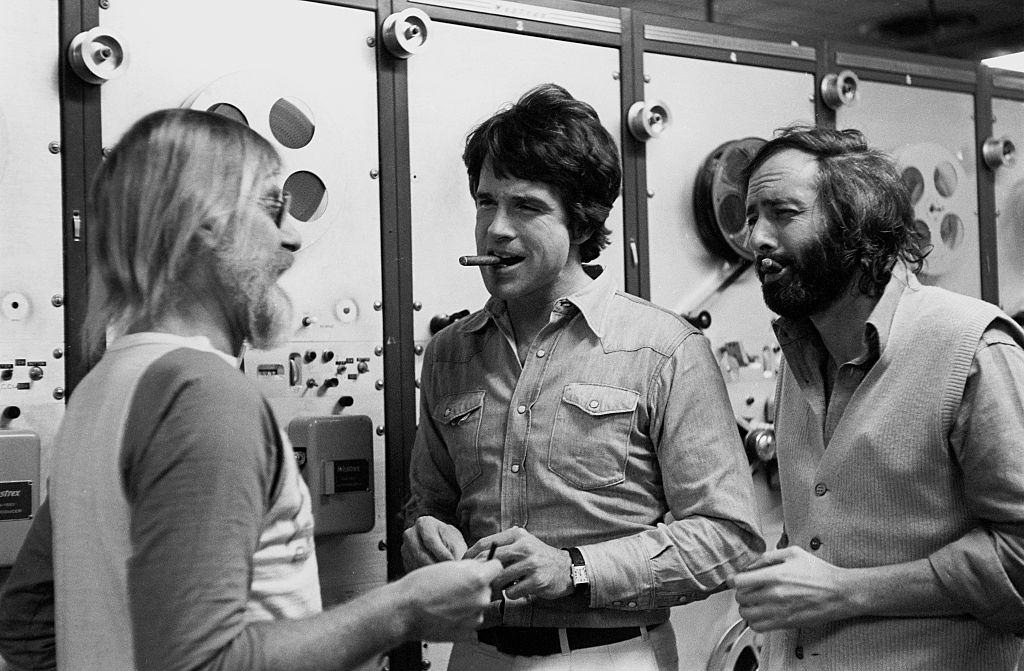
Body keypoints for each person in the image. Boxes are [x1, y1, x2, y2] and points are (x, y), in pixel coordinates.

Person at [0, 108, 501, 671]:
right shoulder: (204, 396)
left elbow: (28, 624)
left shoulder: (102, 389)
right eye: (271, 206)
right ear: (205, 222)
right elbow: (200, 663)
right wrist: (402, 610)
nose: (292, 236)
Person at [402, 83, 764, 670]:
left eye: (526, 206)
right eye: (486, 202)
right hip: (475, 656)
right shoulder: (449, 353)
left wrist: (571, 569)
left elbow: (728, 540)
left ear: (581, 220)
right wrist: (425, 535)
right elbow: (429, 503)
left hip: (609, 657)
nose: (495, 228)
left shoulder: (664, 350)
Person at [732, 125, 1024, 669]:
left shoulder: (973, 349)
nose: (756, 239)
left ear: (854, 224)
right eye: (751, 217)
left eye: (783, 214)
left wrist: (844, 590)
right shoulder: (799, 354)